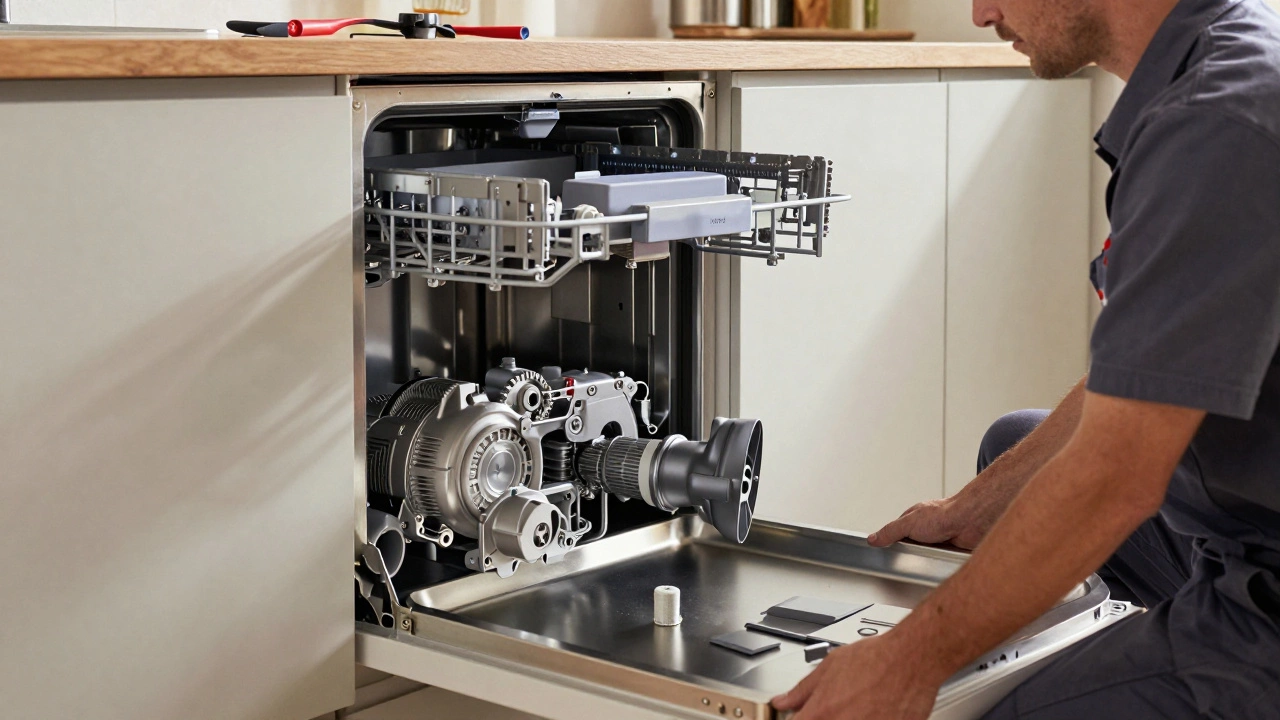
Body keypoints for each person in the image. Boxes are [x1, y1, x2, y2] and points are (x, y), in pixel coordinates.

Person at [770, 0, 1280, 717]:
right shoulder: (1217, 63)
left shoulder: (1214, 125)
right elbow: (1146, 374)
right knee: (1013, 448)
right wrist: (973, 510)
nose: (980, 13)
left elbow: (1115, 478)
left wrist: (908, 660)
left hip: (1266, 604)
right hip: (1243, 525)